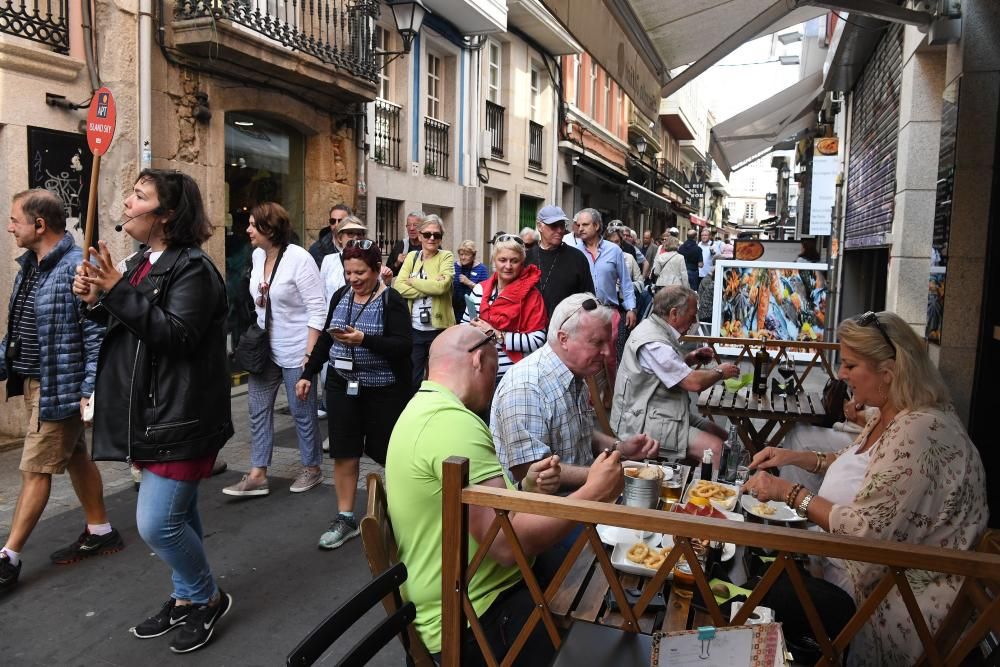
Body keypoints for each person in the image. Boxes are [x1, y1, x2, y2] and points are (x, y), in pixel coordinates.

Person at [743, 311, 988, 666]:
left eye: (850, 365)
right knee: (762, 573)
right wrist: (793, 456)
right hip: (861, 574)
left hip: (895, 601)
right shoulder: (896, 415)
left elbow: (864, 532)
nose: (841, 375)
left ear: (887, 374)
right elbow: (855, 462)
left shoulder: (921, 432)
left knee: (766, 593)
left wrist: (788, 493)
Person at [385, 325, 625, 665]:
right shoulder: (451, 426)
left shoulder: (426, 412)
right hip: (473, 617)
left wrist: (524, 490)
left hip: (469, 600)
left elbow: (482, 513)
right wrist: (593, 493)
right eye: (496, 363)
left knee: (590, 580)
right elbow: (506, 547)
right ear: (479, 360)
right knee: (603, 630)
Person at [73, 169, 234, 653]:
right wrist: (95, 298)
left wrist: (117, 288)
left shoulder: (193, 269)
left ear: (166, 215)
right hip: (151, 413)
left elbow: (175, 335)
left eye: (140, 196)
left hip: (180, 416)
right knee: (179, 517)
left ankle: (207, 596)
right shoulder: (143, 261)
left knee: (157, 524)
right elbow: (127, 322)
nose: (126, 202)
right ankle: (186, 597)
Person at [0, 189, 120, 594]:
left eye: (15, 219)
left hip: (60, 388)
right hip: (35, 381)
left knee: (35, 470)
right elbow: (15, 332)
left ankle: (8, 558)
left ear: (39, 224)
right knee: (76, 458)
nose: (9, 225)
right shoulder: (29, 268)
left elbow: (95, 336)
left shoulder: (77, 269)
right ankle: (101, 528)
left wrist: (88, 389)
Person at [297, 241, 412, 550]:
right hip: (341, 383)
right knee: (345, 450)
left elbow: (403, 346)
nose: (353, 278)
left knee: (387, 452)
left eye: (360, 272)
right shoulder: (340, 296)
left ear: (377, 270)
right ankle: (346, 518)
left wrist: (364, 340)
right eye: (348, 272)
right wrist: (308, 374)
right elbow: (325, 339)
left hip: (383, 388)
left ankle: (402, 513)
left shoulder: (393, 301)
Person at [492, 293, 658, 488]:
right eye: (597, 343)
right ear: (563, 339)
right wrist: (607, 474)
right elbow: (532, 472)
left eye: (608, 343)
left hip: (578, 498)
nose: (606, 352)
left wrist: (620, 448)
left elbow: (580, 434)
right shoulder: (526, 387)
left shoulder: (574, 372)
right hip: (548, 509)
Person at [223, 202, 327, 497]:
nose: (248, 229)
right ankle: (258, 473)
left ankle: (312, 467)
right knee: (257, 409)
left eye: (254, 225)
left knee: (301, 412)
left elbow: (317, 310)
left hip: (296, 349)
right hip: (264, 349)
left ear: (270, 228)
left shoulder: (300, 259)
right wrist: (262, 300)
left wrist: (309, 359)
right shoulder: (257, 256)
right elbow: (261, 297)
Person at [610, 286, 739, 464]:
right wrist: (719, 372)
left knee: (723, 436)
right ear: (674, 314)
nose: (695, 321)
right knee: (717, 450)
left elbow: (664, 371)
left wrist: (691, 358)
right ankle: (716, 489)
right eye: (692, 315)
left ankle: (703, 482)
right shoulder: (654, 343)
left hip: (661, 412)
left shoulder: (654, 328)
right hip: (643, 422)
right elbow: (692, 383)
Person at [463, 234, 548, 382]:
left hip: (515, 375)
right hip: (479, 372)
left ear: (522, 263)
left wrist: (497, 335)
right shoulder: (479, 290)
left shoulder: (532, 296)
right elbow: (464, 326)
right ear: (494, 261)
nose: (508, 266)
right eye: (502, 260)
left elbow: (538, 340)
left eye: (514, 261)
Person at [393, 214, 455, 389]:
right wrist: (430, 285)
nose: (432, 238)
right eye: (427, 234)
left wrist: (412, 281)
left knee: (439, 378)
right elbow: (398, 287)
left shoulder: (446, 257)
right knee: (413, 378)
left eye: (437, 235)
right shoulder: (412, 257)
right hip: (415, 328)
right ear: (420, 236)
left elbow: (442, 287)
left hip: (440, 328)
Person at [573, 209, 636, 370]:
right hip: (582, 314)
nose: (580, 228)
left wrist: (631, 308)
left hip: (609, 313)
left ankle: (612, 394)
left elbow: (626, 282)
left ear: (596, 226)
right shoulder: (573, 252)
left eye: (585, 224)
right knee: (586, 359)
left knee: (610, 359)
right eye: (578, 225)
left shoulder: (614, 250)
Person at [524, 205, 594, 318]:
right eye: (554, 226)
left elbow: (588, 297)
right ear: (539, 226)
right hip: (532, 327)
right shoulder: (527, 257)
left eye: (562, 225)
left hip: (568, 327)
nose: (560, 230)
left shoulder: (577, 258)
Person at [452, 240, 488, 322]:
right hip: (455, 309)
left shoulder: (481, 269)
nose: (463, 257)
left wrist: (469, 283)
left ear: (473, 255)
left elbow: (485, 291)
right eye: (461, 254)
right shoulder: (454, 267)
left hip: (472, 310)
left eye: (467, 254)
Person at [308, 203, 352, 268]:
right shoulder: (316, 249)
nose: (336, 224)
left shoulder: (361, 245)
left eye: (341, 221)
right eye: (333, 221)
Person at [387, 210, 424, 277]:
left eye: (415, 225)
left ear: (423, 227)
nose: (411, 228)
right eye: (408, 225)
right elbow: (387, 274)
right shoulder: (400, 245)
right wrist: (397, 263)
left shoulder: (430, 245)